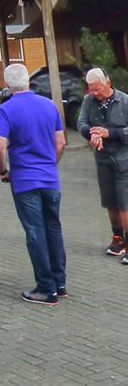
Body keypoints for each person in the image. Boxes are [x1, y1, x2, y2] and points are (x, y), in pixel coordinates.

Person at [0, 62, 67, 305]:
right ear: (28, 81)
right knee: (53, 228)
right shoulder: (49, 106)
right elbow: (61, 142)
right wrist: (50, 164)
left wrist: (3, 170)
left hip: (25, 180)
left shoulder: (7, 110)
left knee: (35, 232)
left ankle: (46, 288)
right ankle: (60, 281)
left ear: (7, 84)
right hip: (49, 178)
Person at [77, 67, 128, 261]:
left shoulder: (124, 101)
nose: (95, 93)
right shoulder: (89, 101)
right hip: (103, 159)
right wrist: (93, 134)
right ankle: (117, 239)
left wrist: (110, 133)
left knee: (125, 202)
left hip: (124, 159)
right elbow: (81, 123)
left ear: (108, 82)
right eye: (91, 90)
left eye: (98, 89)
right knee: (110, 201)